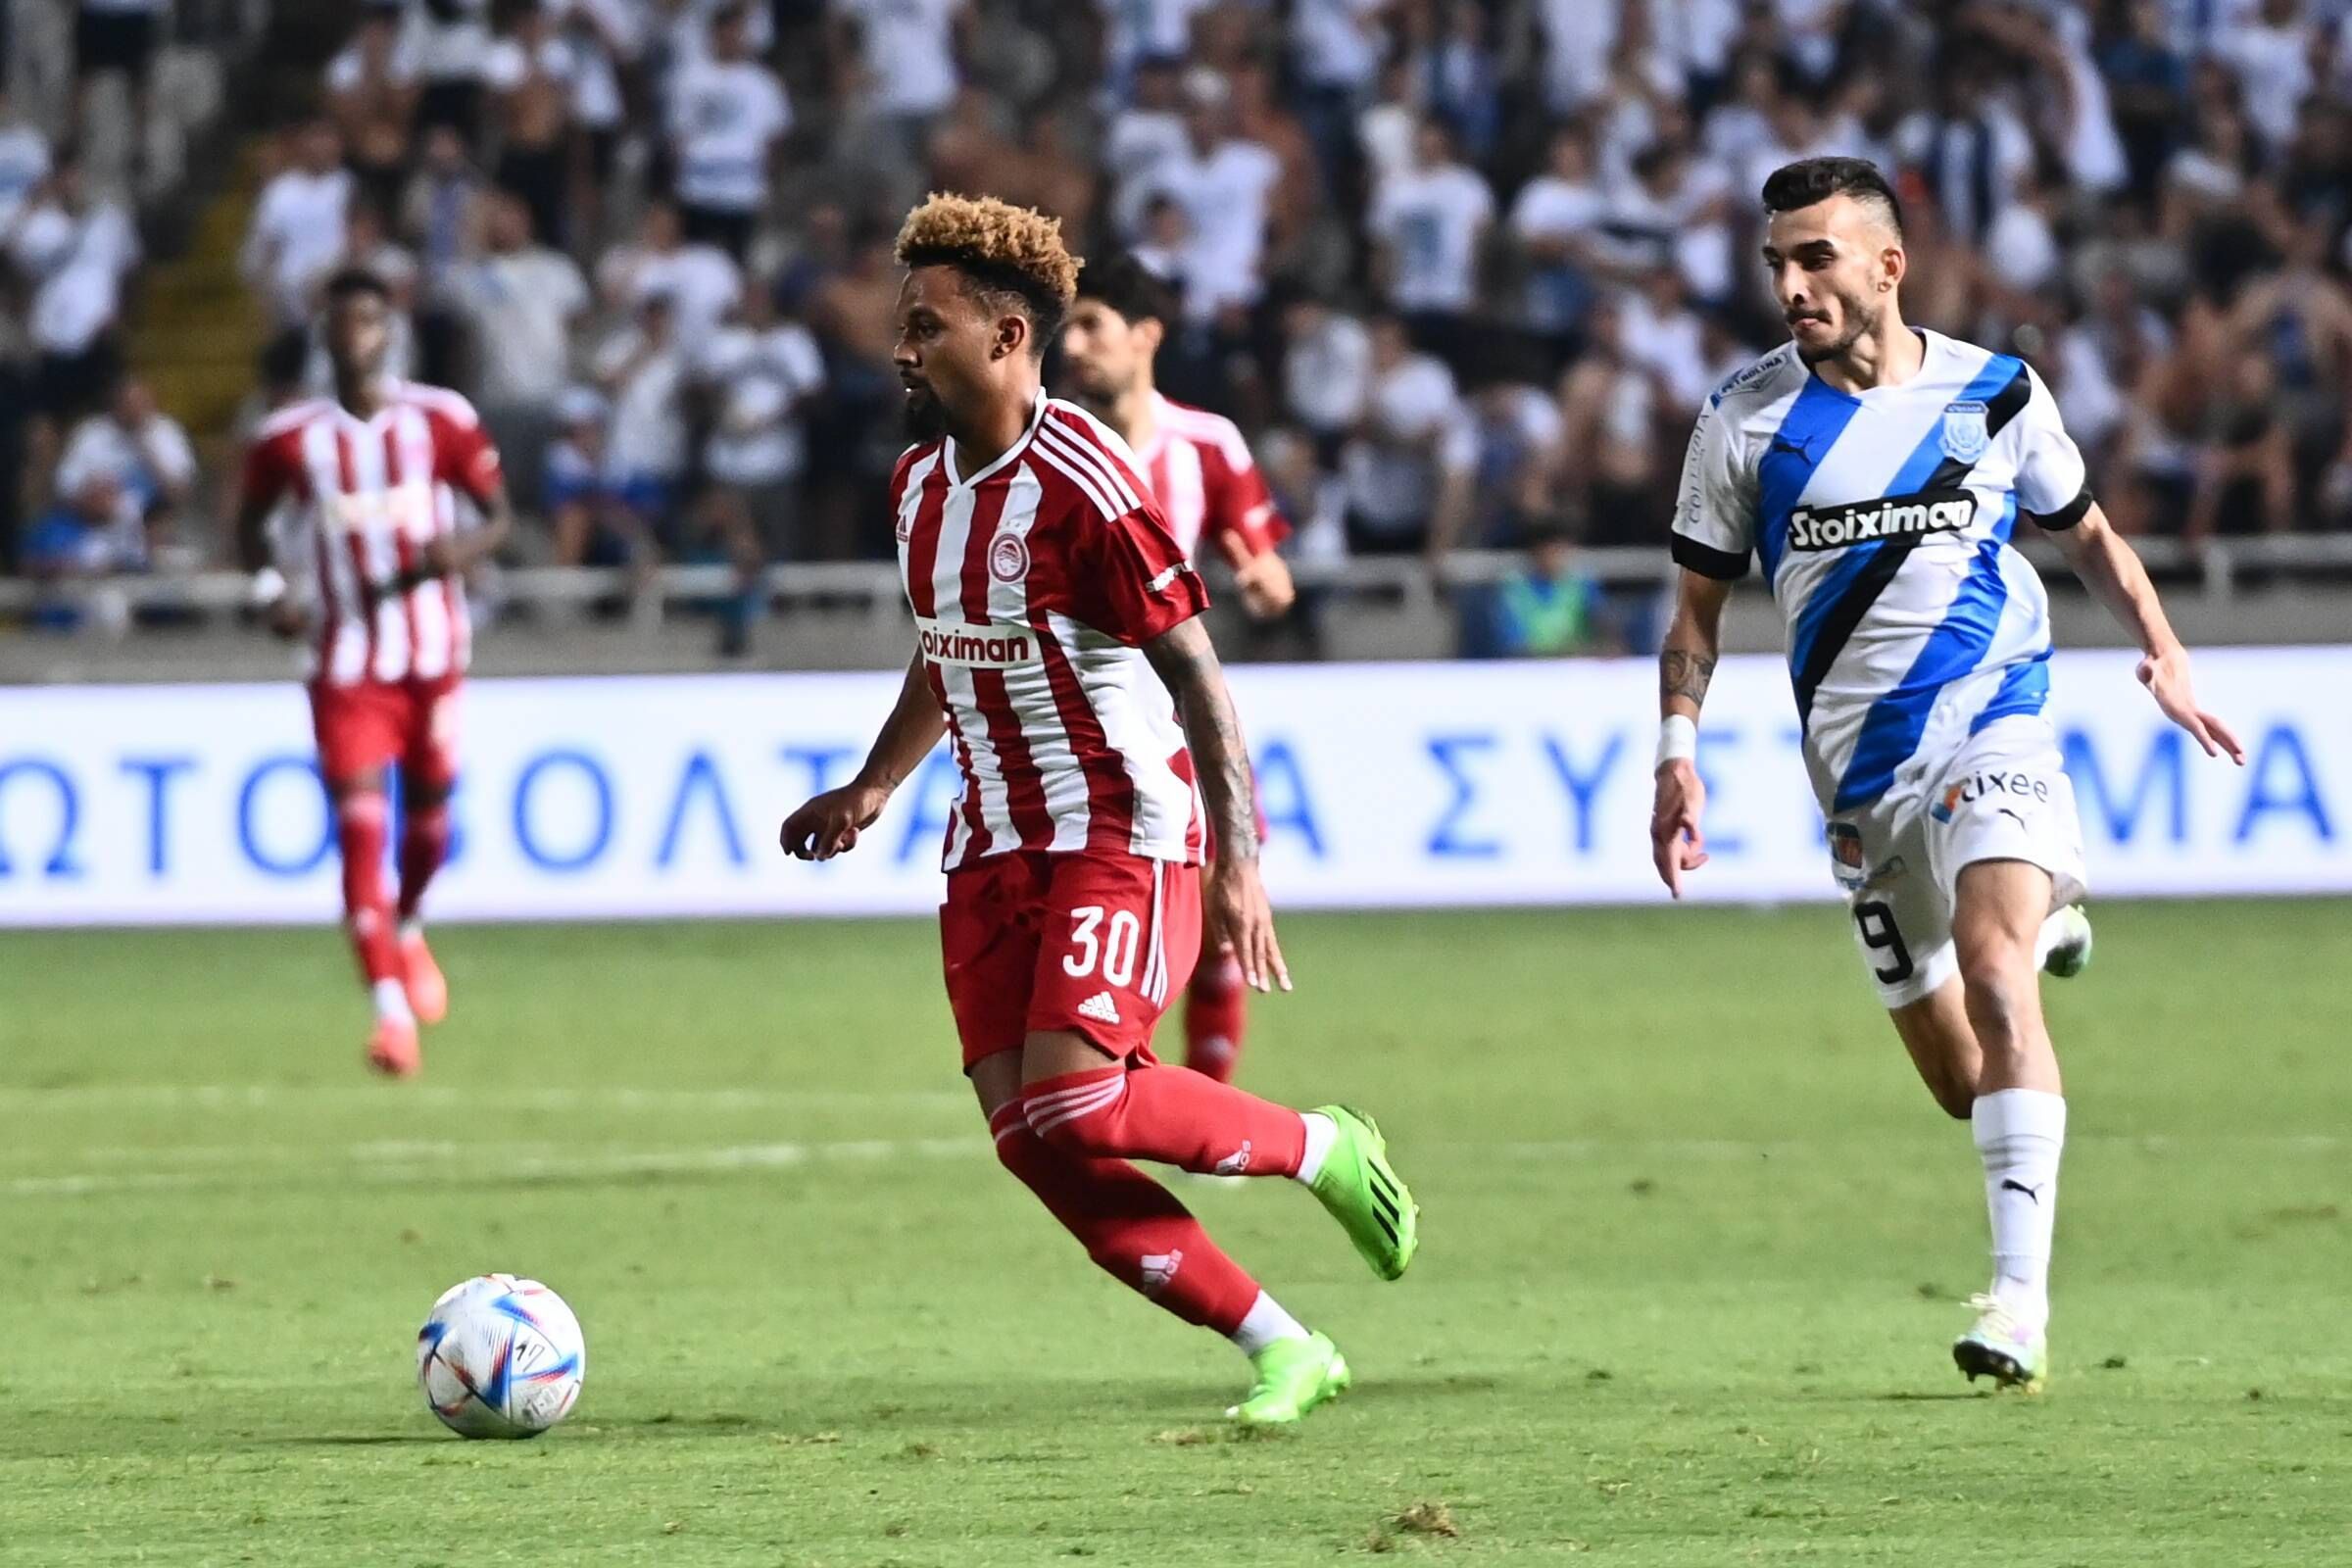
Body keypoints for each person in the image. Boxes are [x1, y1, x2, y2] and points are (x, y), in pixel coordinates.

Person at [777, 195, 1416, 1426]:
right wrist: (874, 783)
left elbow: (1197, 671)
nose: (902, 348)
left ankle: (1319, 1145)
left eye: (927, 325)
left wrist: (1238, 860)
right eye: (902, 325)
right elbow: (951, 646)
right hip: (989, 851)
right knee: (1034, 1140)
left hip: (1118, 827)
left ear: (1009, 337)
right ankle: (1286, 1345)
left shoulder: (1085, 484)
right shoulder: (919, 484)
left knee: (1080, 1097)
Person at [1651, 159, 2244, 1394]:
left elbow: (2087, 534)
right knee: (1961, 1081)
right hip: (1864, 794)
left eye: (1816, 257)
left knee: (1994, 972)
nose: (1792, 284)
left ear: (1887, 262)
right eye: (1776, 262)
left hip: (1994, 729)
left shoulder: (1994, 393)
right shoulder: (1744, 419)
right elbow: (1696, 617)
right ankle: (2052, 924)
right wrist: (1677, 757)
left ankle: (2018, 1302)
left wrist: (2167, 655)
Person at [235, 269, 514, 1080]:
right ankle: (390, 1016)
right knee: (361, 830)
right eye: (341, 322)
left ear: (388, 331)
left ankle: (410, 923)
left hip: (432, 659)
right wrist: (270, 592)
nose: (355, 334)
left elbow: (498, 517)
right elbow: (248, 528)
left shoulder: (442, 420)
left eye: (368, 320)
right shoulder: (291, 439)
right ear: (325, 336)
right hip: (346, 665)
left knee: (428, 825)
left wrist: (455, 552)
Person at [1058, 254, 1295, 1087]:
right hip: (1074, 720)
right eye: (1070, 327)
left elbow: (1270, 575)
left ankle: (1211, 1098)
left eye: (1093, 325)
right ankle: (1112, 1086)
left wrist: (1264, 585)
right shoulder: (1050, 446)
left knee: (1223, 909)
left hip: (1174, 710)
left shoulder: (1208, 443)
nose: (1076, 344)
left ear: (1147, 335)